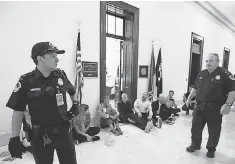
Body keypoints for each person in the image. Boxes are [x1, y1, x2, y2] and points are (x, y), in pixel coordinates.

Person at [6, 42, 80, 164]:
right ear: (40, 58)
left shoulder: (60, 76)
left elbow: (72, 91)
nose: (57, 59)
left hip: (64, 133)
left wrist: (76, 103)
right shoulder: (26, 81)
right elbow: (18, 110)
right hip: (40, 136)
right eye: (52, 56)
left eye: (56, 56)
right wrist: (14, 138)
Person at [185, 53, 235, 158]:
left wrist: (228, 104)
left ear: (218, 62)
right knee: (195, 128)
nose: (208, 63)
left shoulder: (225, 74)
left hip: (215, 108)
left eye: (211, 61)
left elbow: (232, 90)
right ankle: (195, 145)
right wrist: (189, 98)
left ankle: (211, 149)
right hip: (199, 106)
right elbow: (195, 88)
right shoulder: (202, 73)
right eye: (207, 61)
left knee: (214, 130)